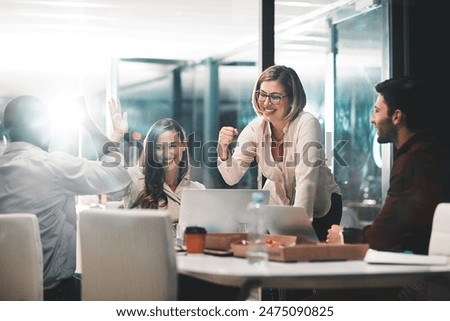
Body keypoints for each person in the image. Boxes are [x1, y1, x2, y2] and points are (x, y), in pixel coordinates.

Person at [319, 76, 450, 300]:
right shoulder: (423, 153)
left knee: (322, 303)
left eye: (377, 111)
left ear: (396, 116)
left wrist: (344, 235)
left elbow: (384, 236)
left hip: (416, 281)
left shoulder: (416, 161)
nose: (372, 119)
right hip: (413, 271)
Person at [0, 95, 132, 301]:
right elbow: (119, 179)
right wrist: (88, 124)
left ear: (5, 130)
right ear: (44, 128)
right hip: (52, 296)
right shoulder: (53, 167)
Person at [217, 65, 342, 242]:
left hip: (320, 207)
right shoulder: (254, 129)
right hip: (280, 208)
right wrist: (223, 149)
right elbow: (232, 176)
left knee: (307, 260)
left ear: (292, 99)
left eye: (275, 96)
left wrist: (298, 232)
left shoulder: (307, 123)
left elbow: (306, 180)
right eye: (262, 94)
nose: (266, 103)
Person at [124, 118, 205, 226]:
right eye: (159, 147)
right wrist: (116, 136)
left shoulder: (198, 190)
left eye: (172, 146)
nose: (167, 154)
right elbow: (109, 180)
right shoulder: (137, 180)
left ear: (183, 145)